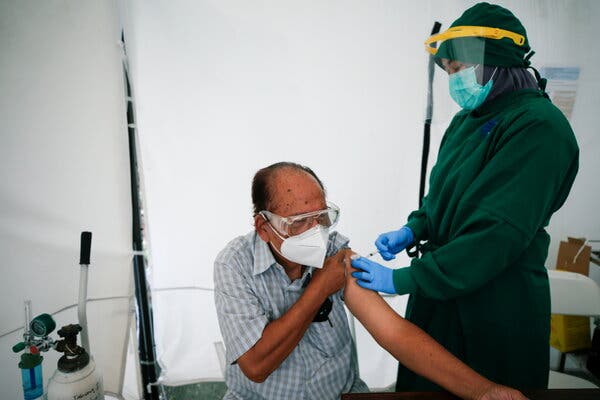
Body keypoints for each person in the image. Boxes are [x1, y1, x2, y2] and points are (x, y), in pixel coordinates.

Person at [351, 2, 579, 392]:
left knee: (490, 389)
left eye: (461, 69)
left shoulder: (539, 127)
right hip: (439, 292)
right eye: (450, 71)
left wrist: (404, 278)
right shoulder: (465, 122)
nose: (455, 79)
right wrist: (413, 229)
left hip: (496, 304)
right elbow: (442, 197)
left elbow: (497, 233)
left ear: (496, 59)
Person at [214, 161, 528, 400]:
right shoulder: (235, 264)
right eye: (298, 223)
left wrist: (483, 391)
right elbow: (256, 366)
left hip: (339, 394)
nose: (315, 232)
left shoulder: (334, 252)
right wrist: (320, 288)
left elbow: (394, 333)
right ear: (263, 225)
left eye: (321, 217)